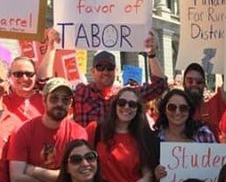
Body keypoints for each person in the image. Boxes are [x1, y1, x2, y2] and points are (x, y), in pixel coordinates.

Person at [39, 30, 168, 126]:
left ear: (116, 71)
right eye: (100, 67)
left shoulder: (126, 95)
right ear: (93, 71)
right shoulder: (81, 93)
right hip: (87, 157)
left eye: (110, 67)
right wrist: (51, 48)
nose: (105, 71)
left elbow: (159, 86)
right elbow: (45, 85)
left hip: (116, 158)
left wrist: (151, 54)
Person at [87, 86, 158, 182]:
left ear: (138, 110)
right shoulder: (95, 130)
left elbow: (148, 177)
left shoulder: (144, 136)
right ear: (115, 105)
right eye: (122, 102)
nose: (126, 107)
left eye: (132, 104)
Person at [182, 62, 226, 141]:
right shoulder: (174, 108)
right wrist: (153, 56)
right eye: (190, 81)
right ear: (184, 83)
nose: (194, 84)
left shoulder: (214, 105)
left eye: (199, 82)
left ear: (204, 84)